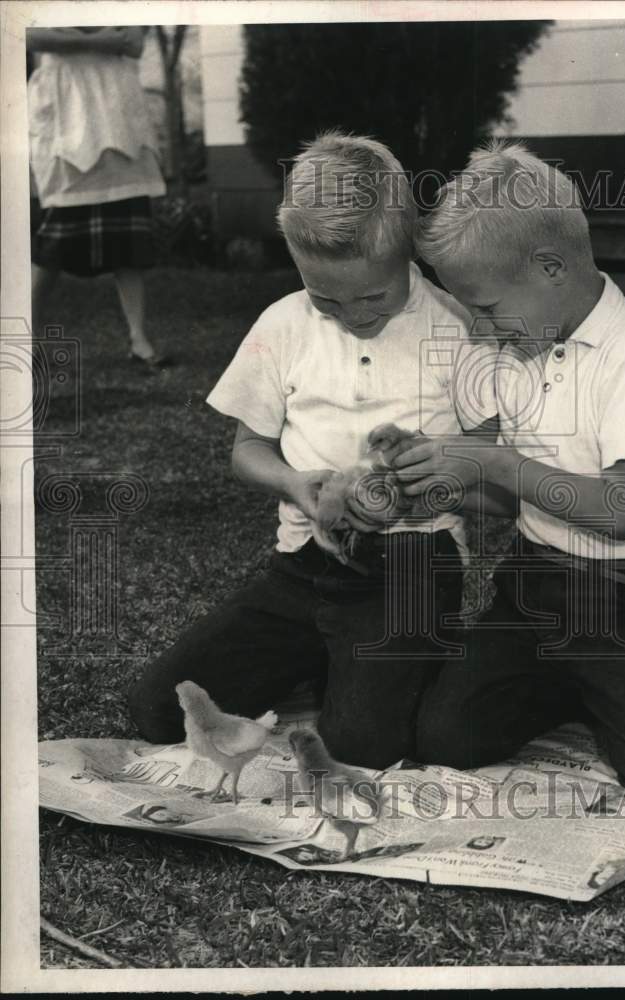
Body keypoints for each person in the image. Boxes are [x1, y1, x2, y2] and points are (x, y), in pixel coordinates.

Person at [128, 133, 498, 768]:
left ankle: (392, 658)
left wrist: (435, 477)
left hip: (413, 564)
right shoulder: (282, 324)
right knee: (162, 709)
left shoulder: (456, 327)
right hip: (302, 565)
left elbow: (490, 464)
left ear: (408, 248)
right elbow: (248, 450)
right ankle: (333, 654)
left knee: (363, 746)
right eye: (326, 299)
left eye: (373, 298)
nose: (352, 316)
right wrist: (293, 483)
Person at [384, 141, 625, 789]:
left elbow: (621, 510)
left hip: (621, 592)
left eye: (487, 308)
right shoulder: (514, 349)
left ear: (550, 267)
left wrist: (492, 459)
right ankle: (575, 685)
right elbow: (504, 497)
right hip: (529, 585)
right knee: (446, 736)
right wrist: (435, 483)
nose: (483, 330)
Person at [27, 26, 171, 369]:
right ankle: (25, 336)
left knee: (128, 238)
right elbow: (32, 36)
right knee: (55, 240)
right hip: (67, 106)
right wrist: (99, 40)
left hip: (115, 110)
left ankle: (138, 338)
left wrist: (76, 38)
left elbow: (134, 43)